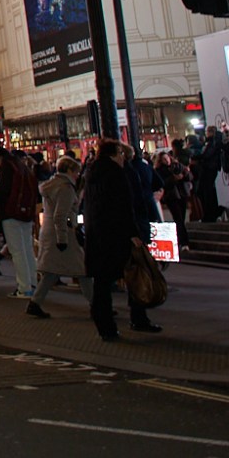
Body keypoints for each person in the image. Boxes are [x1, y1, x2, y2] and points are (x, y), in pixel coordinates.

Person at [81, 142, 157, 341]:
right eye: (120, 153)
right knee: (134, 273)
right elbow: (123, 207)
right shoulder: (116, 174)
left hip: (98, 235)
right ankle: (137, 317)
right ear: (115, 154)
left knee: (102, 283)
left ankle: (105, 325)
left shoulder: (92, 173)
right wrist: (133, 233)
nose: (123, 157)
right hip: (117, 236)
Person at [26, 156, 85, 319]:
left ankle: (35, 302)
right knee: (81, 269)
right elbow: (61, 215)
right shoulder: (65, 188)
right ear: (69, 171)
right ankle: (97, 305)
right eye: (75, 171)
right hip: (63, 233)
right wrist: (63, 239)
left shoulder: (51, 186)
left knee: (51, 271)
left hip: (50, 231)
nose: (77, 175)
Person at [0, 146, 41, 297]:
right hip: (25, 213)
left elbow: (2, 192)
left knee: (17, 252)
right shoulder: (21, 165)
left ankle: (24, 288)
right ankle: (32, 283)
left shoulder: (7, 168)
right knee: (27, 250)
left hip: (10, 214)